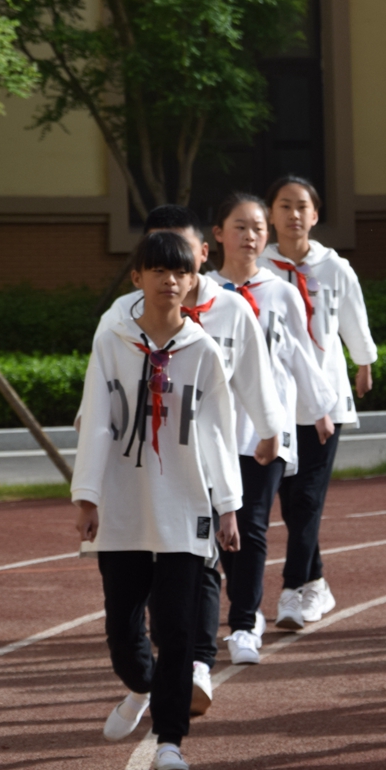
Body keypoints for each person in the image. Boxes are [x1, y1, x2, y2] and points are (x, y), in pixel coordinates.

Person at [92, 205, 289, 714]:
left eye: (180, 258)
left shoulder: (229, 310)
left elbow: (254, 372)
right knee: (145, 584)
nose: (170, 269)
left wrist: (271, 430)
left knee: (202, 564)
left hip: (216, 453)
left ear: (201, 255)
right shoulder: (120, 316)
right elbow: (102, 392)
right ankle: (155, 673)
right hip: (145, 469)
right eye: (158, 258)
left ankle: (195, 664)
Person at [72, 230, 243, 770]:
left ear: (194, 280)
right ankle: (143, 686)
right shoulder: (112, 340)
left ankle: (170, 738)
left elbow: (219, 431)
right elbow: (96, 418)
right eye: (158, 271)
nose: (170, 281)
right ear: (137, 278)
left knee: (177, 631)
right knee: (124, 633)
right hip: (122, 504)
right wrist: (87, 494)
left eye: (181, 273)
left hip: (184, 507)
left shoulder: (204, 351)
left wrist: (228, 505)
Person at [210, 193, 338, 640]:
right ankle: (239, 601)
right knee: (221, 523)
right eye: (240, 227)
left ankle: (246, 619)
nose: (250, 236)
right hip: (216, 428)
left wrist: (319, 409)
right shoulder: (203, 293)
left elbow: (300, 354)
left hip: (268, 426)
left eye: (258, 228)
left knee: (254, 521)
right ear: (218, 234)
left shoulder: (281, 293)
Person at [261, 175, 378, 627]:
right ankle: (318, 581)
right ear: (271, 214)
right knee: (290, 502)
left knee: (307, 498)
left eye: (302, 206)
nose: (293, 214)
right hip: (273, 400)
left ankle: (292, 590)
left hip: (325, 399)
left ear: (315, 214)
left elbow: (354, 317)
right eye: (284, 205)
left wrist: (364, 361)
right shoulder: (261, 270)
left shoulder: (334, 268)